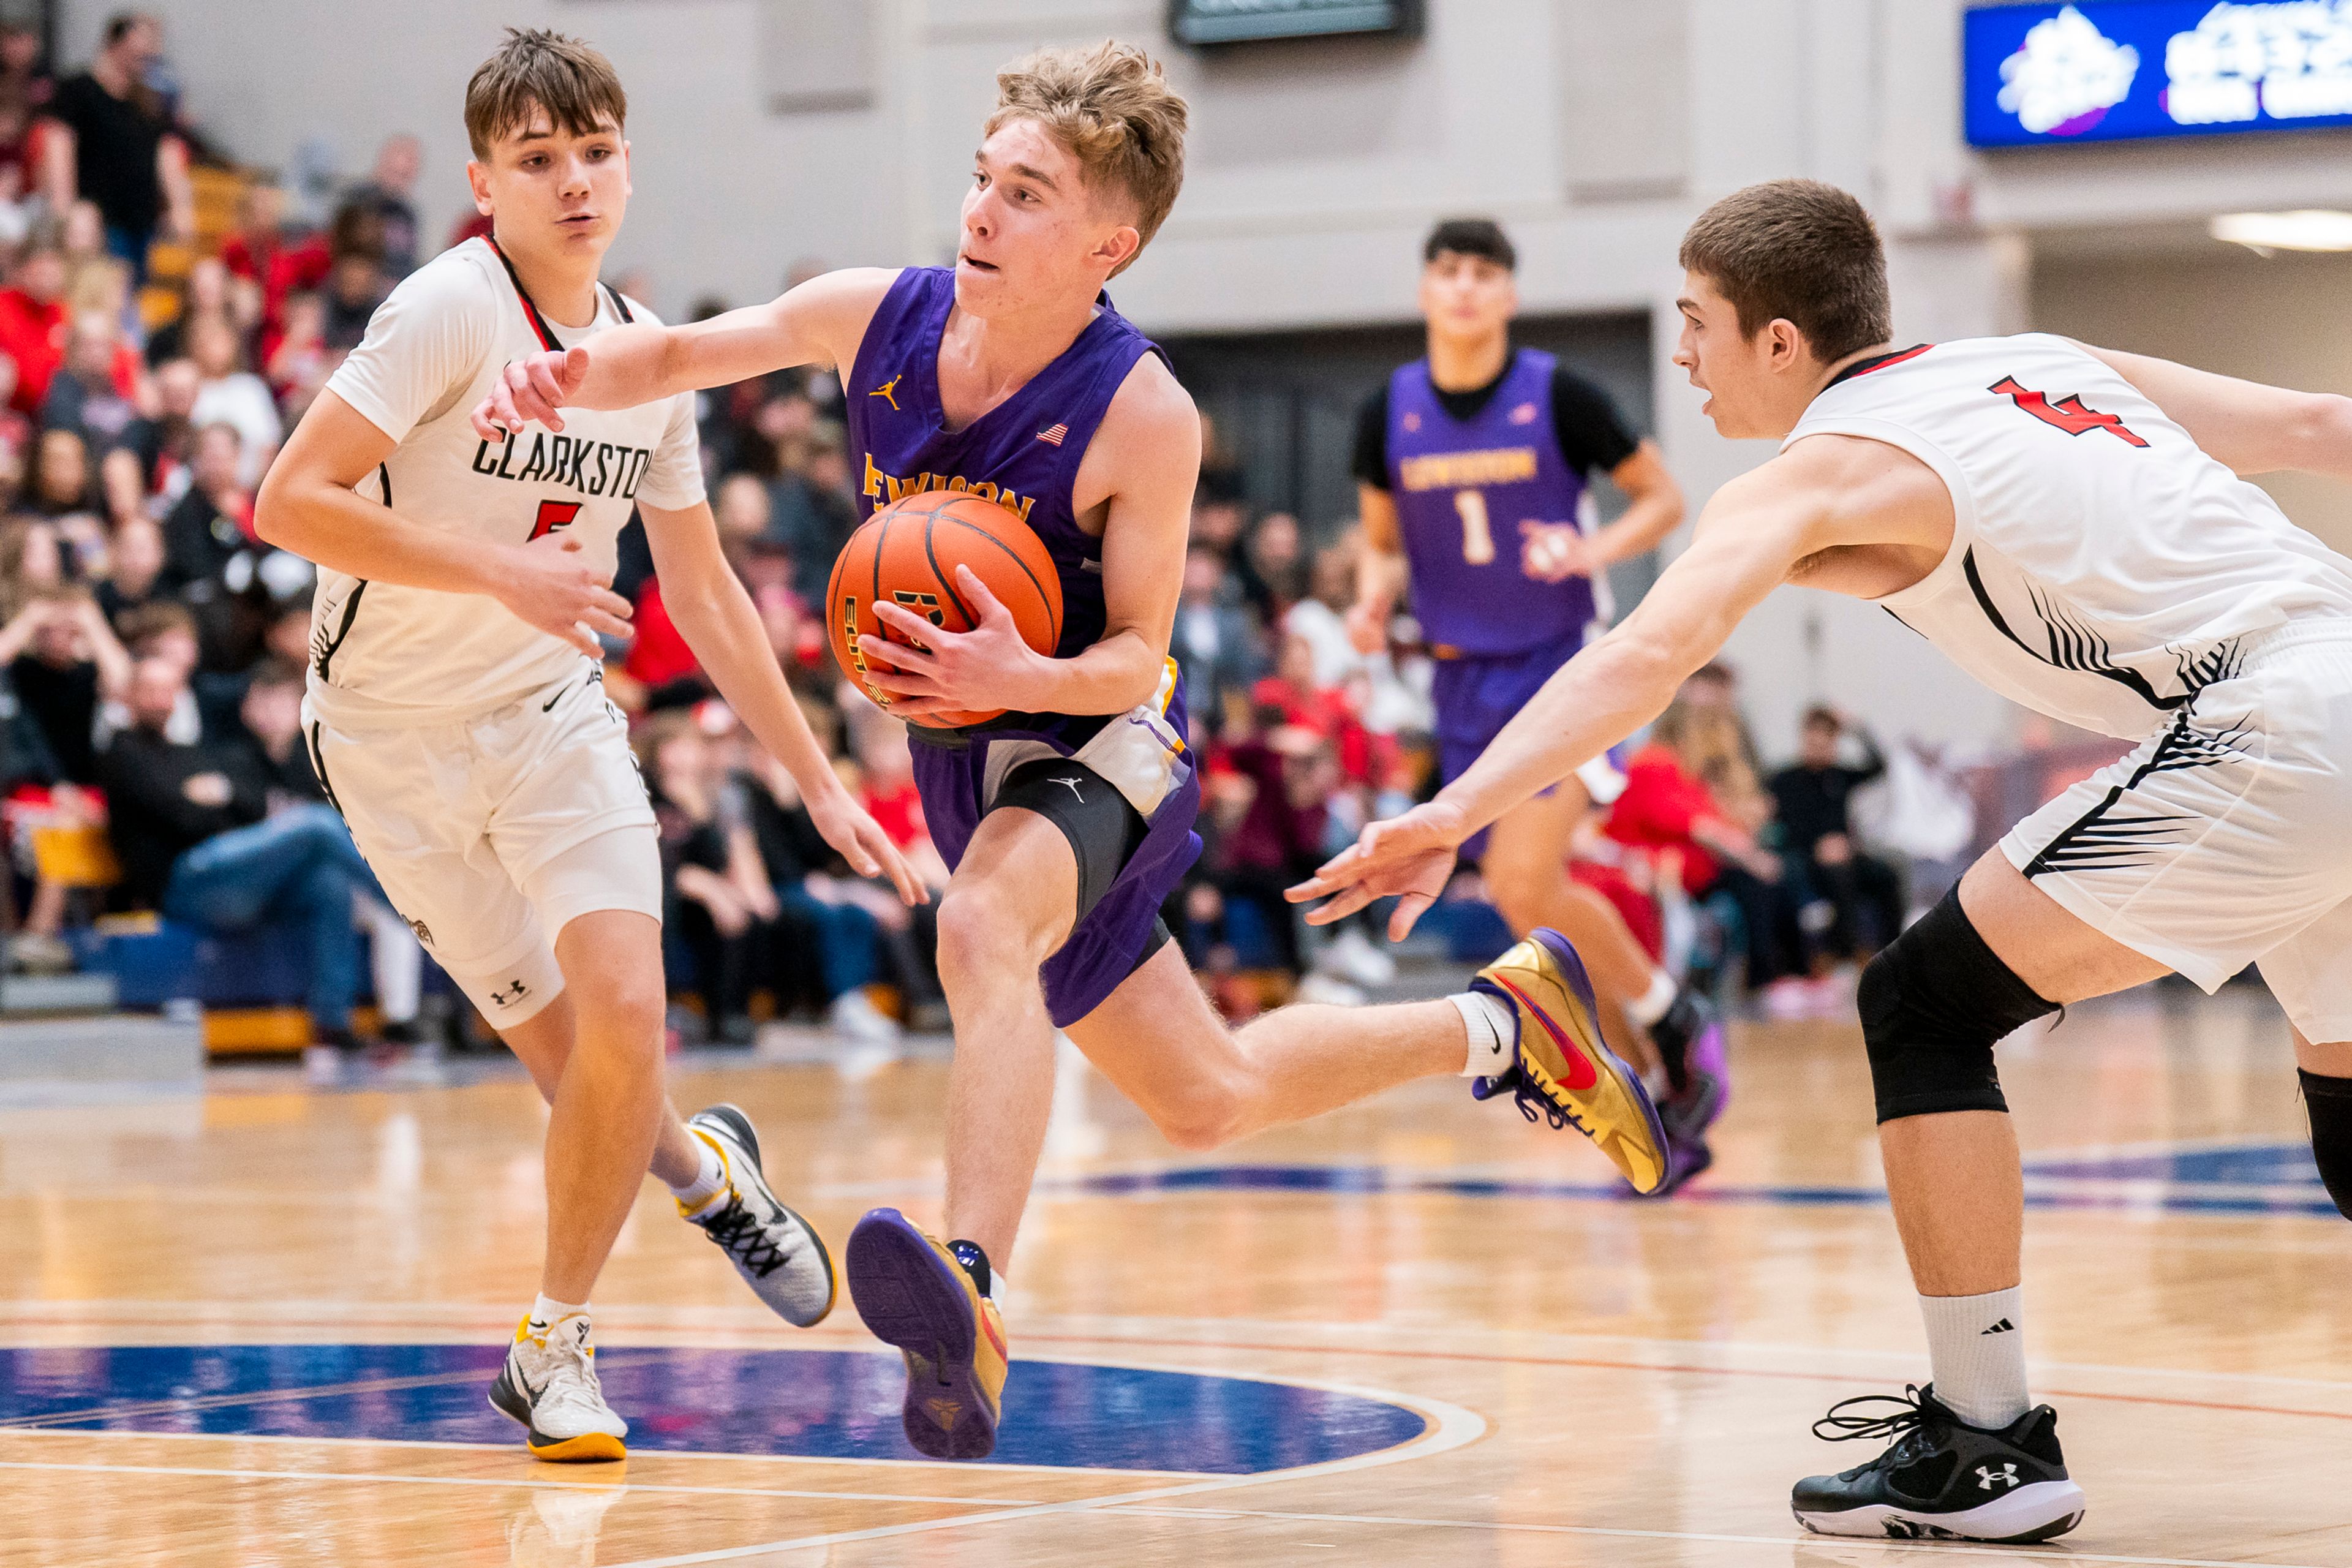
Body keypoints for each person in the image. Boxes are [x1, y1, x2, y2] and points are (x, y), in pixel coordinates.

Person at [475, 38, 1672, 1464]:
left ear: (1107, 242)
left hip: (1099, 740)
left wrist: (1017, 670)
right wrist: (563, 374)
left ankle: (970, 1291)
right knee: (1204, 1092)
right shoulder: (879, 316)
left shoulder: (1144, 412)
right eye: (983, 180)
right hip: (969, 757)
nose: (980, 212)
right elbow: (672, 351)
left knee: (979, 925)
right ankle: (1504, 1023)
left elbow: (1133, 654)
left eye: (1024, 195)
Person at [1296, 175, 2352, 1544]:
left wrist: (1451, 811)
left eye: (1696, 323)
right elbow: (2325, 422)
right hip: (2330, 672)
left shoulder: (1820, 469)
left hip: (2272, 728)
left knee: (1923, 1001)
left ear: (1779, 342)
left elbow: (1641, 657)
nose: (1681, 352)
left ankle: (1986, 1443)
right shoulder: (2032, 364)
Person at [253, 29, 925, 1463]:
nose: (574, 182)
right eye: (539, 159)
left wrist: (816, 779)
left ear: (629, 163)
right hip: (386, 738)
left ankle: (553, 1343)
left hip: (552, 720)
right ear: (487, 180)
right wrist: (494, 573)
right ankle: (707, 1168)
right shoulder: (446, 311)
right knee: (581, 1078)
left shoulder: (648, 359)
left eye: (597, 152)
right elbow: (286, 502)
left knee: (628, 1016)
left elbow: (705, 592)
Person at [1348, 216, 1725, 1185]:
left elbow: (1663, 498)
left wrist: (1591, 550)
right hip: (1460, 680)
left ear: (1508, 295)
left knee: (1521, 883)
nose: (1465, 288)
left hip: (1561, 667)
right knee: (1531, 904)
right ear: (1426, 289)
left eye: (1484, 273)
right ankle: (1661, 1080)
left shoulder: (1559, 393)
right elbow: (1383, 541)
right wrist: (1370, 593)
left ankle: (1670, 1017)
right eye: (1448, 271)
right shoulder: (1386, 409)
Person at [47, 12, 190, 276]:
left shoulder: (151, 103)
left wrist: (180, 207)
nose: (149, 53)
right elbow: (59, 149)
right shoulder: (79, 90)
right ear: (115, 43)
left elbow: (168, 157)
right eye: (141, 46)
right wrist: (64, 212)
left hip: (140, 225)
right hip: (95, 225)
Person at [1770, 704, 1904, 962]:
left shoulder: (1840, 775)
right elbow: (1784, 827)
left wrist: (1857, 728)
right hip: (1806, 858)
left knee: (1888, 875)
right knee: (1840, 876)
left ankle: (1894, 955)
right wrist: (1817, 847)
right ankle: (1844, 956)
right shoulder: (1784, 779)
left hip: (1846, 854)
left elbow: (1880, 765)